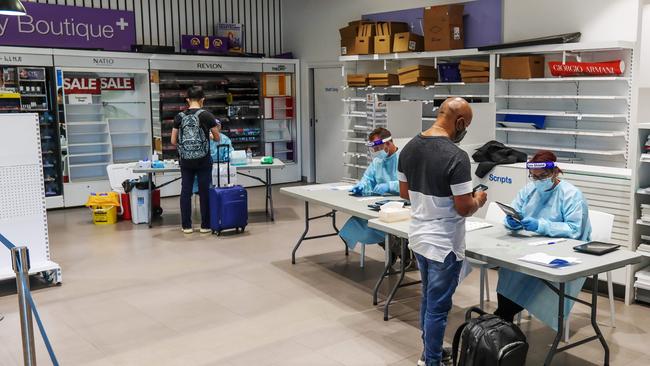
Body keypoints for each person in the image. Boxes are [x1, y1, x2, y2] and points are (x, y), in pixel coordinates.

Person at [398, 97, 486, 366]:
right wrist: (479, 199)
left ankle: (430, 353)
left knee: (428, 300)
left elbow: (404, 193)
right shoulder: (456, 157)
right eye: (466, 125)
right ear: (459, 122)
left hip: (419, 238)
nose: (464, 130)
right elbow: (463, 208)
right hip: (444, 244)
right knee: (438, 309)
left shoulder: (409, 147)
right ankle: (431, 361)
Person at [494, 150, 591, 332]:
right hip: (531, 246)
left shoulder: (571, 195)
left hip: (563, 250)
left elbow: (575, 229)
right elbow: (515, 210)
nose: (538, 181)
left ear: (554, 172)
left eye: (543, 176)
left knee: (531, 276)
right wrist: (512, 222)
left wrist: (541, 225)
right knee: (509, 268)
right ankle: (502, 320)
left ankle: (501, 319)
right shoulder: (529, 190)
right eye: (534, 177)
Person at [339, 127, 400, 251]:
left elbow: (409, 183)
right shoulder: (378, 161)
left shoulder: (403, 158)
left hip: (400, 204)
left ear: (388, 143)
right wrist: (361, 186)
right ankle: (392, 246)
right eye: (374, 149)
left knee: (375, 224)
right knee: (358, 221)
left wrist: (389, 186)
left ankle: (397, 247)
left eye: (378, 148)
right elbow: (368, 178)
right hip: (380, 203)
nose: (376, 151)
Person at [171, 86, 220, 234]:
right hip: (203, 160)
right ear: (202, 100)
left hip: (186, 161)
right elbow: (217, 137)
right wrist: (209, 137)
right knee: (204, 191)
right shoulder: (207, 116)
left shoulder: (179, 117)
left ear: (187, 100)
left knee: (186, 191)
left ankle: (186, 226)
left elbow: (173, 141)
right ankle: (205, 225)